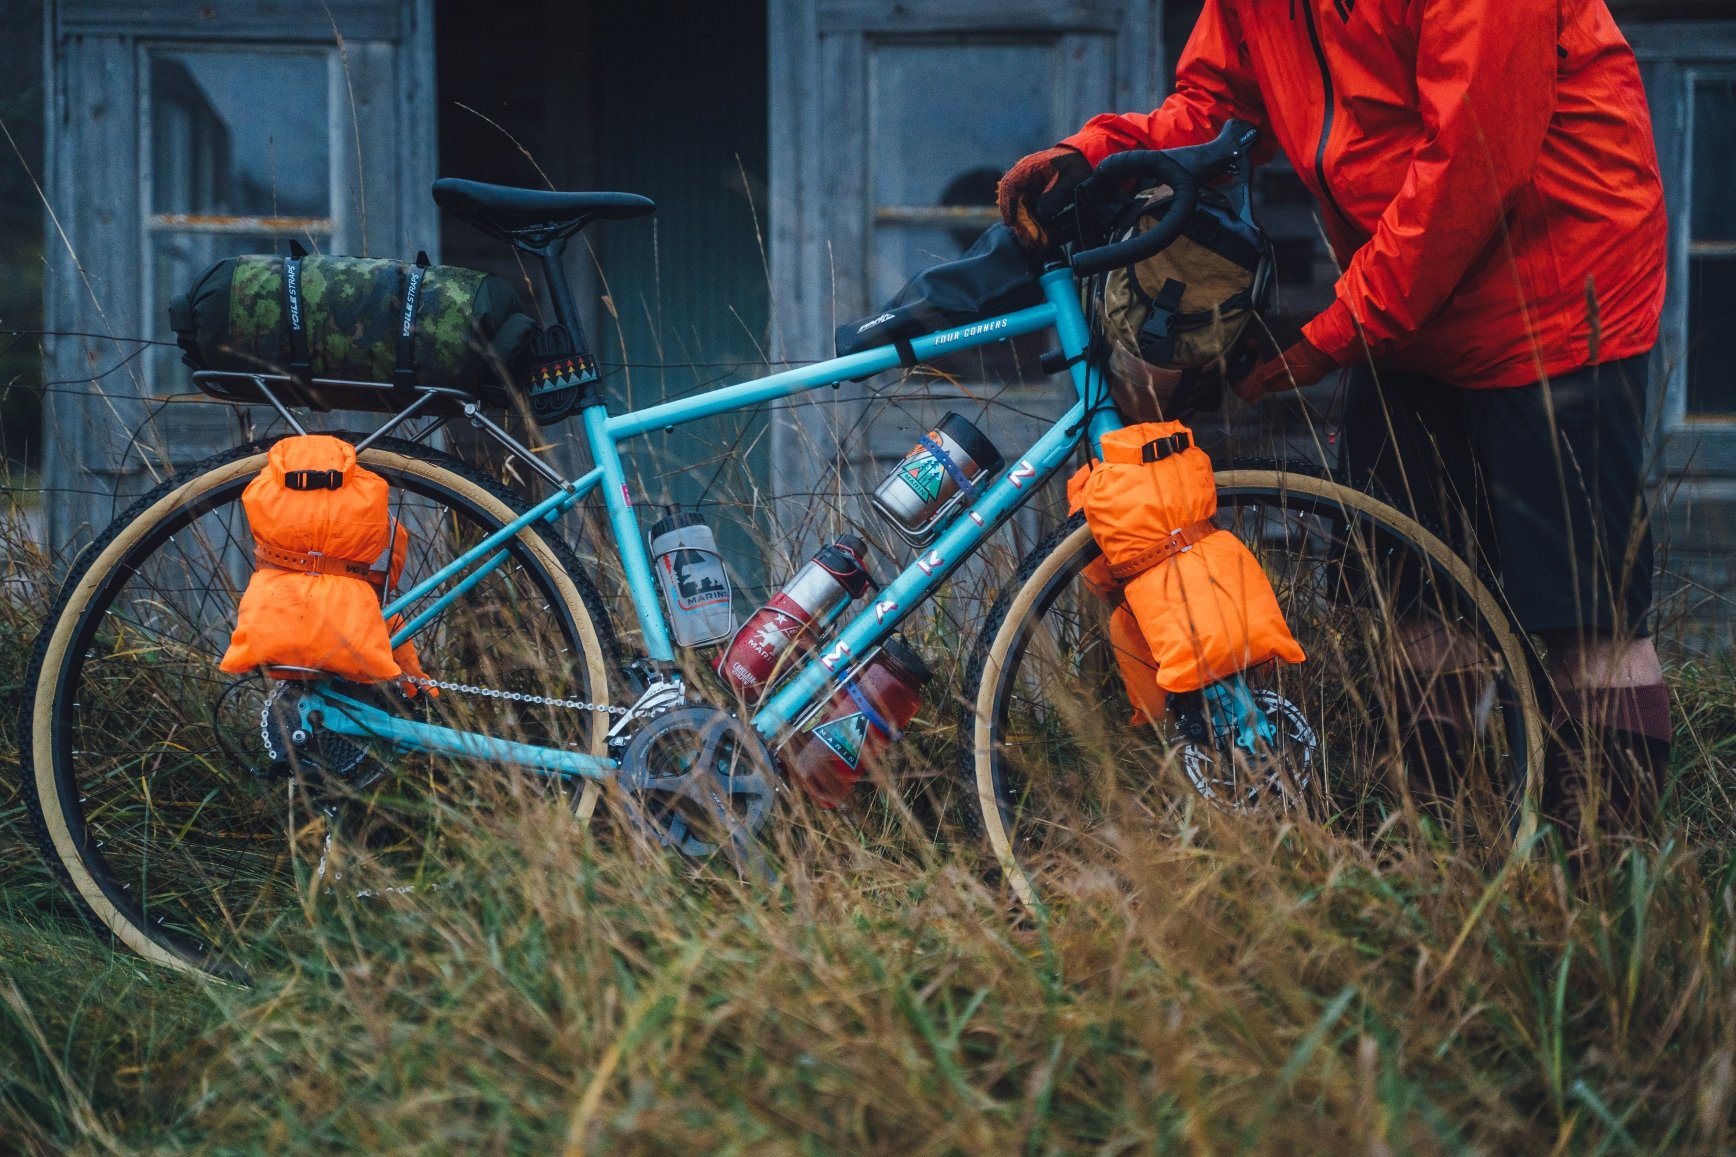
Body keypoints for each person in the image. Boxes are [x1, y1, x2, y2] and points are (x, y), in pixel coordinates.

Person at [998, 0, 1671, 838]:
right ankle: (1440, 871)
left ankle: (1609, 902)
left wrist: (1327, 341)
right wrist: (1094, 153)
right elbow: (1214, 109)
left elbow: (1470, 165)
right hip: (1407, 314)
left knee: (1586, 621)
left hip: (1558, 304)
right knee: (1417, 611)